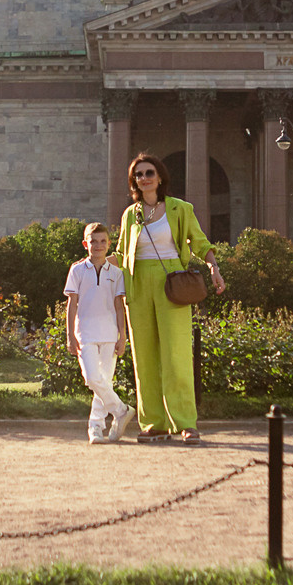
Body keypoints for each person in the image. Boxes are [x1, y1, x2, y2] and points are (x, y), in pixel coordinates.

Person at [115, 152, 224, 441]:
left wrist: (213, 266)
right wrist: (91, 262)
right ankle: (153, 424)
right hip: (138, 284)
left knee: (176, 355)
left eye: (149, 173)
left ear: (160, 177)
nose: (144, 178)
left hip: (172, 282)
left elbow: (199, 241)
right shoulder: (131, 214)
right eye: (138, 175)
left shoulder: (179, 209)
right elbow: (121, 252)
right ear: (134, 182)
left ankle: (186, 422)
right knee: (145, 358)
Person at [64, 222, 134, 445]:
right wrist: (69, 335)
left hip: (109, 334)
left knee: (104, 382)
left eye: (103, 241)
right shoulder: (76, 270)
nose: (98, 245)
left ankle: (96, 428)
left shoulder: (116, 273)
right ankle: (121, 410)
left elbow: (119, 306)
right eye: (93, 241)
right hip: (84, 333)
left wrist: (122, 335)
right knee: (92, 378)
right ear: (86, 243)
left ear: (109, 244)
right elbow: (71, 305)